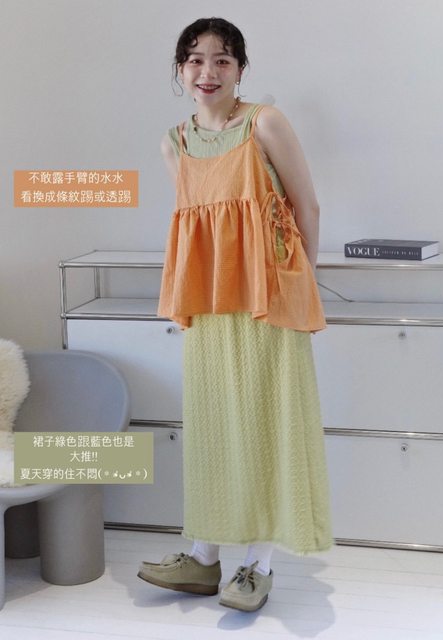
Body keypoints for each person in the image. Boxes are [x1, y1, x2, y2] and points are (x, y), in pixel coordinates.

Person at [138, 16, 333, 612]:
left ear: (240, 69)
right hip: (209, 301)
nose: (208, 71)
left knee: (268, 424)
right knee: (213, 428)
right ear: (180, 70)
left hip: (267, 299)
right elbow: (196, 226)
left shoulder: (264, 122)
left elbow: (306, 207)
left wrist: (298, 287)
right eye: (195, 60)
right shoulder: (174, 142)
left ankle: (257, 565)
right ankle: (203, 557)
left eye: (222, 59)